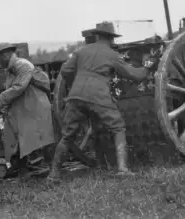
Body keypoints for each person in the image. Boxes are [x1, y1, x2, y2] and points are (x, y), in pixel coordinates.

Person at [47, 22, 159, 184]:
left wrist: (78, 81)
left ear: (97, 36)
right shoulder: (112, 55)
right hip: (98, 96)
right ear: (112, 39)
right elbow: (133, 75)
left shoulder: (81, 51)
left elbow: (65, 71)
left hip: (75, 95)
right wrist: (147, 68)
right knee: (118, 127)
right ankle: (122, 169)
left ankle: (54, 174)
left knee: (67, 136)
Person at [0, 43, 55, 178]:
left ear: (5, 55)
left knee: (44, 139)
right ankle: (23, 173)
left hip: (35, 108)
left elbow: (18, 88)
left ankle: (53, 169)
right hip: (23, 111)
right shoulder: (11, 71)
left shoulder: (23, 65)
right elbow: (10, 92)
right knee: (17, 142)